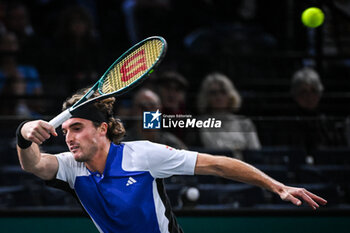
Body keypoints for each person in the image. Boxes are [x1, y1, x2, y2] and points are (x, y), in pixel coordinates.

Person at [16, 87, 327, 233]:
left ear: (102, 129)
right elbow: (33, 164)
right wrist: (24, 133)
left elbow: (217, 164)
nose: (69, 137)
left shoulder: (143, 155)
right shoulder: (71, 168)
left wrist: (276, 186)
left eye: (78, 128)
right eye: (66, 130)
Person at [197, 72, 261, 151]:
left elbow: (255, 152)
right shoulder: (201, 124)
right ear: (206, 97)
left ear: (230, 95)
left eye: (223, 92)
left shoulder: (244, 123)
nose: (218, 97)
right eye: (213, 93)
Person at [290, 67, 345, 151]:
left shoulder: (326, 122)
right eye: (304, 92)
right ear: (296, 95)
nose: (309, 96)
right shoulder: (290, 122)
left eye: (313, 91)